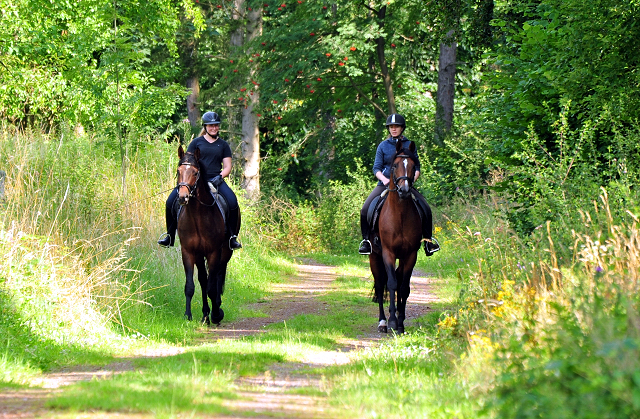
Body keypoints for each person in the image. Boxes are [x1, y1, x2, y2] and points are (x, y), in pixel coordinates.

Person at [358, 113, 440, 256]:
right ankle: (366, 241)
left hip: (405, 184)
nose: (394, 129)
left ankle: (428, 241)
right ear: (388, 129)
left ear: (402, 128)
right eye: (391, 127)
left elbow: (417, 167)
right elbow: (376, 168)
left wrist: (410, 181)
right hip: (385, 184)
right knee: (365, 209)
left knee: (426, 208)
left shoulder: (410, 145)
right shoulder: (383, 146)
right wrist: (384, 180)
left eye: (396, 126)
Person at [158, 111, 242, 250]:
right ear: (205, 126)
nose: (214, 128)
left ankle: (232, 237)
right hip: (194, 181)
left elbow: (227, 166)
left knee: (232, 202)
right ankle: (170, 236)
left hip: (216, 180)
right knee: (170, 202)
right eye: (211, 126)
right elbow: (188, 161)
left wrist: (220, 177)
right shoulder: (196, 143)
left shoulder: (223, 145)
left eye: (216, 125)